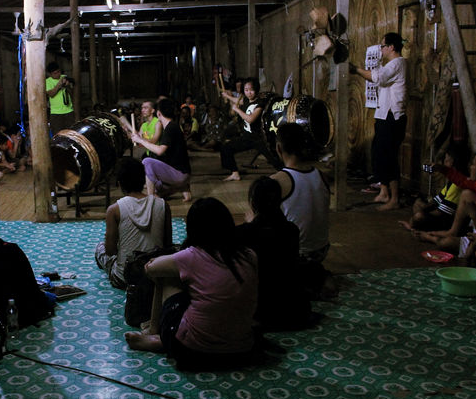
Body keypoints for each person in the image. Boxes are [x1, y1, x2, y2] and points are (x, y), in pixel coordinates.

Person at [124, 198, 258, 371]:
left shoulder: (192, 256)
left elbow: (151, 269)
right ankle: (159, 335)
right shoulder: (249, 255)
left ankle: (155, 334)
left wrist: (165, 261)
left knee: (166, 276)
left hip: (192, 351)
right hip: (242, 349)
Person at [235, 177, 310, 330]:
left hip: (260, 309)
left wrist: (251, 224)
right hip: (293, 309)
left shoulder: (244, 233)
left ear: (252, 202)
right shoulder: (291, 230)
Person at [350, 32, 407, 211]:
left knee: (389, 157)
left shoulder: (398, 63)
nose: (381, 50)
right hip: (384, 115)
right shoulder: (391, 64)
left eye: (383, 46)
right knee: (379, 154)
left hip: (392, 117)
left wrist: (356, 70)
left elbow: (378, 77)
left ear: (391, 47)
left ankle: (394, 198)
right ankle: (384, 192)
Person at [95, 157, 171, 290]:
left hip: (125, 278)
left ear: (120, 184)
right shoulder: (163, 205)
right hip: (155, 274)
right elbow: (167, 245)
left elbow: (110, 251)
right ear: (143, 181)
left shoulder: (114, 210)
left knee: (100, 248)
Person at [271, 123, 330, 264]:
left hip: (295, 254)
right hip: (321, 250)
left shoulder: (277, 180)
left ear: (278, 148)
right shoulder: (321, 176)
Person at [130, 98, 192, 203]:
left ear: (158, 113)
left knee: (147, 162)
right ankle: (181, 187)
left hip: (180, 174)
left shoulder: (170, 128)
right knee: (158, 187)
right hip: (180, 174)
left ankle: (151, 197)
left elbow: (160, 151)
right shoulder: (172, 126)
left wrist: (140, 140)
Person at [400, 141, 471, 231]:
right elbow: (436, 201)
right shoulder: (454, 179)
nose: (444, 161)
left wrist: (420, 214)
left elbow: (442, 213)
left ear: (451, 161)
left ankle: (414, 228)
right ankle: (416, 226)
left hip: (449, 221)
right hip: (444, 215)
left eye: (446, 158)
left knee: (419, 216)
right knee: (418, 205)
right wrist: (423, 209)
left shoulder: (457, 184)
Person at [220, 78, 265, 182]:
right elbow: (237, 100)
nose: (249, 93)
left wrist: (237, 110)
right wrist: (227, 96)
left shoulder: (260, 104)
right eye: (246, 90)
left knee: (275, 161)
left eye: (251, 90)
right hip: (247, 138)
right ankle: (234, 173)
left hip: (258, 138)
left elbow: (250, 119)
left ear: (256, 90)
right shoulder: (246, 100)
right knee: (226, 147)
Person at [45, 61, 75, 134]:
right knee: (57, 134)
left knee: (71, 133)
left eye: (58, 72)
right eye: (55, 73)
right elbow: (51, 94)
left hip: (69, 111)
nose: (58, 74)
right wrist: (59, 85)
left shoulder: (64, 77)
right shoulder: (47, 81)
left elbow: (72, 92)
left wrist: (68, 86)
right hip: (56, 113)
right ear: (50, 74)